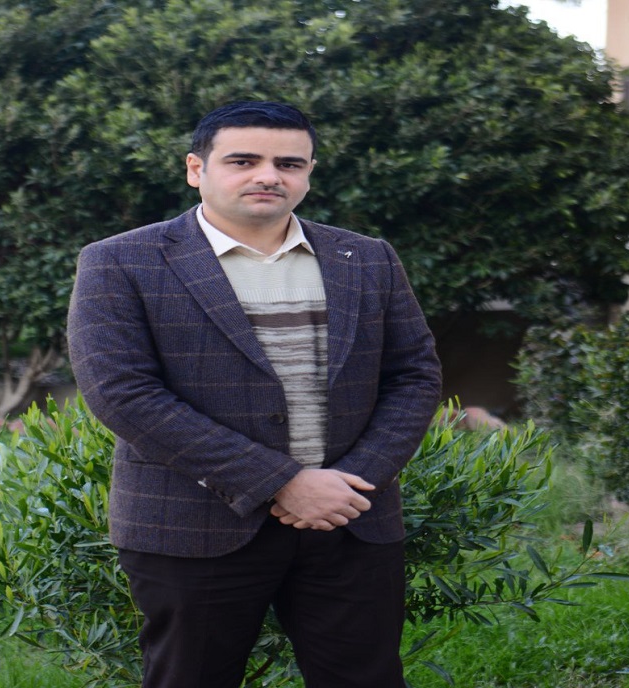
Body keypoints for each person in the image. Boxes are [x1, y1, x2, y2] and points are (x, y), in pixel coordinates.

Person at [67, 100, 441, 688]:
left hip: (348, 519)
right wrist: (282, 482)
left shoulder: (367, 257)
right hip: (194, 525)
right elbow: (122, 393)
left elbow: (414, 375)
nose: (269, 175)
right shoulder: (120, 261)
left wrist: (352, 482)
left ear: (309, 172)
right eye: (243, 160)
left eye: (289, 163)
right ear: (196, 168)